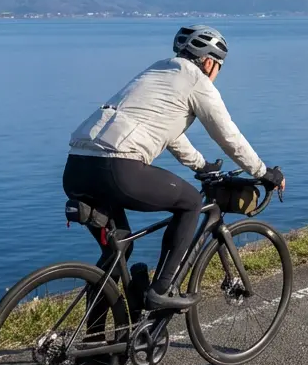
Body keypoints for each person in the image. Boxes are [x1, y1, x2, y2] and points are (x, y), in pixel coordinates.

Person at [63, 24, 284, 312]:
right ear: (208, 62)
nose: (217, 73)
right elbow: (228, 136)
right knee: (191, 202)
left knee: (117, 252)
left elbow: (168, 131)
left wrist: (201, 164)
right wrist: (263, 172)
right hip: (117, 167)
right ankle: (161, 290)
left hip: (77, 166)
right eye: (219, 66)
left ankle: (99, 349)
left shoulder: (160, 71)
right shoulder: (197, 82)